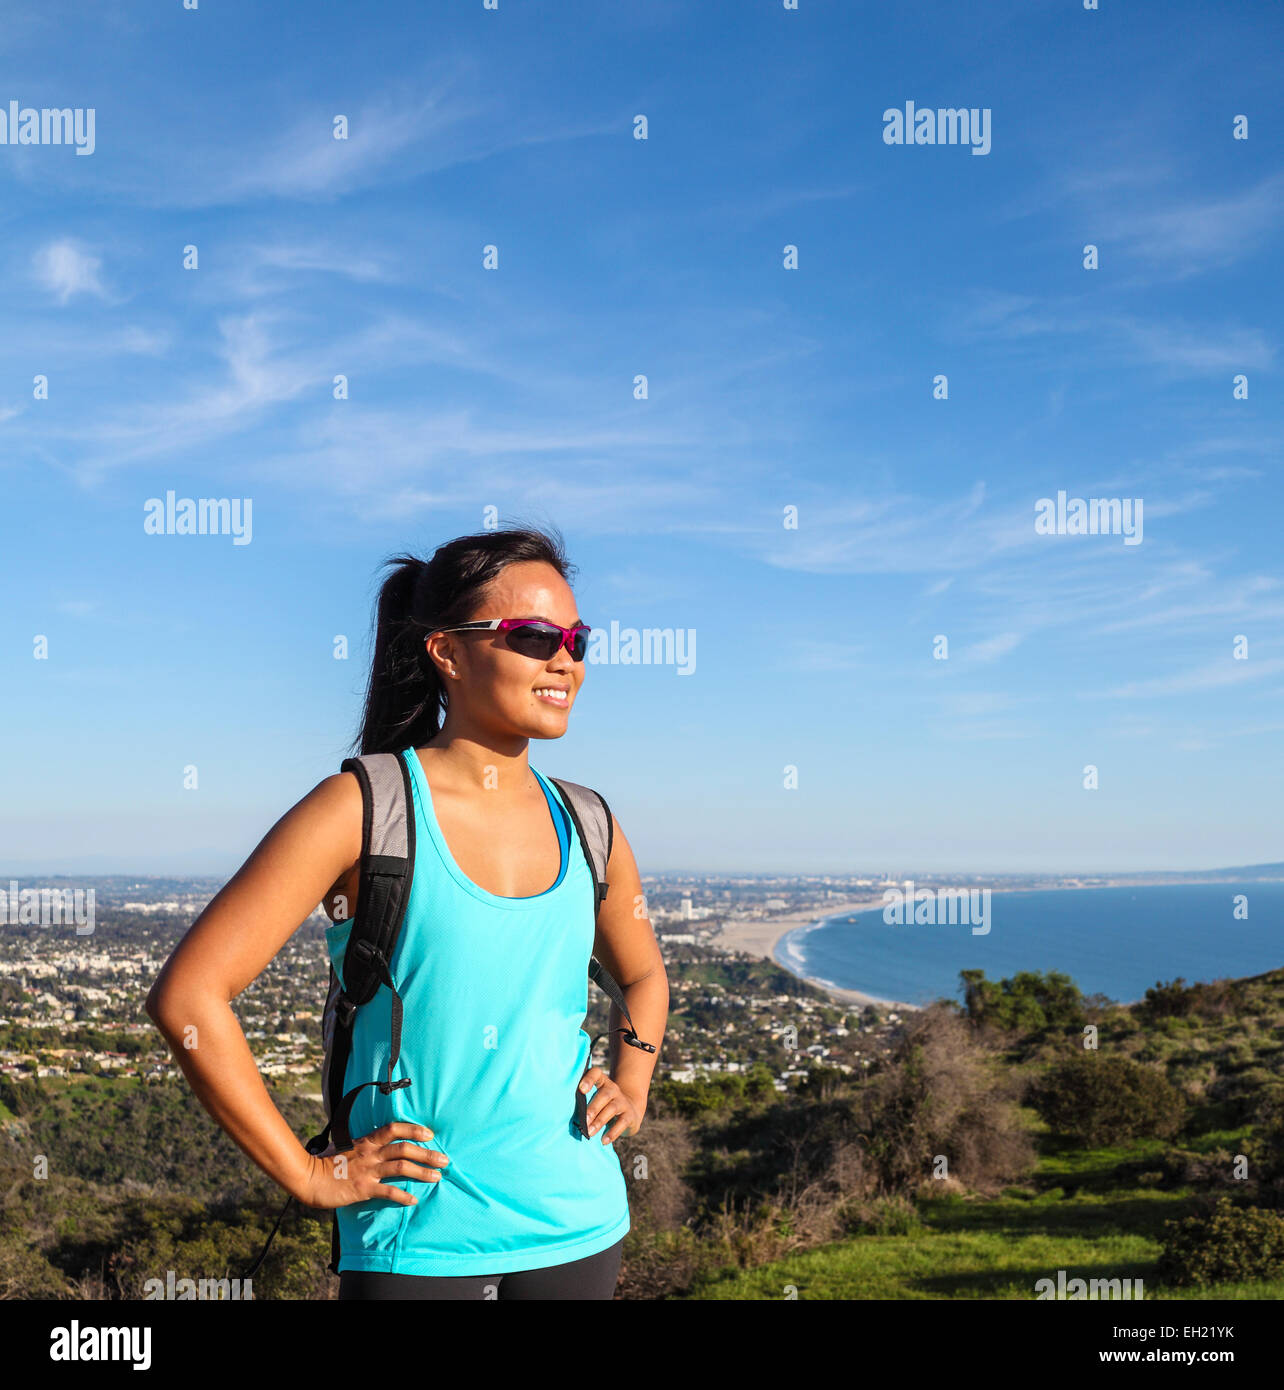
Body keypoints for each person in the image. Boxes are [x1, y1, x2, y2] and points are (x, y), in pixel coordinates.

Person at [145, 524, 668, 1300]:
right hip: (413, 1236)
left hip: (578, 1221)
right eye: (531, 635)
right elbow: (188, 996)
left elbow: (645, 975)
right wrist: (310, 1175)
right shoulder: (363, 810)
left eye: (577, 637)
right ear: (446, 652)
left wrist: (634, 1078)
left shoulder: (589, 822)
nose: (565, 659)